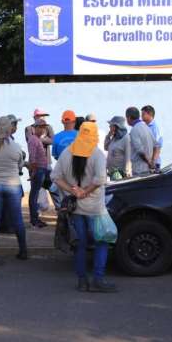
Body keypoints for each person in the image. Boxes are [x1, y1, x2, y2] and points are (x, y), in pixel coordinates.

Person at [52, 122, 116, 293]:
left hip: (75, 208)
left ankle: (82, 281)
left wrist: (73, 191)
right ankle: (98, 279)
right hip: (95, 208)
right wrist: (85, 192)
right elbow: (100, 179)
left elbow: (55, 177)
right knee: (102, 241)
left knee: (80, 243)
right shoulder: (97, 154)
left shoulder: (66, 153)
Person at [0, 116, 28, 260]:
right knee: (17, 219)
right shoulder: (16, 147)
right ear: (10, 129)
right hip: (13, 186)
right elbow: (20, 165)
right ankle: (23, 250)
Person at [27, 118, 50, 228]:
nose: (42, 129)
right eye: (40, 127)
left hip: (40, 169)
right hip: (38, 170)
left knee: (35, 194)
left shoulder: (36, 139)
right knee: (34, 195)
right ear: (35, 128)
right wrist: (33, 171)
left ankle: (35, 219)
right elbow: (32, 157)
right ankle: (34, 220)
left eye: (43, 127)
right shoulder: (33, 139)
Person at [125, 107, 155, 176]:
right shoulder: (147, 127)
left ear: (129, 118)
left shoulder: (134, 130)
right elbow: (156, 146)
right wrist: (152, 161)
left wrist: (149, 163)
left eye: (126, 118)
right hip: (148, 169)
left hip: (139, 170)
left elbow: (140, 151)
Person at [141, 105, 163, 169]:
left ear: (150, 114)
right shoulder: (144, 127)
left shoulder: (154, 128)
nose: (141, 116)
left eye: (143, 114)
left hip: (153, 164)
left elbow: (157, 147)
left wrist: (153, 162)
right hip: (146, 163)